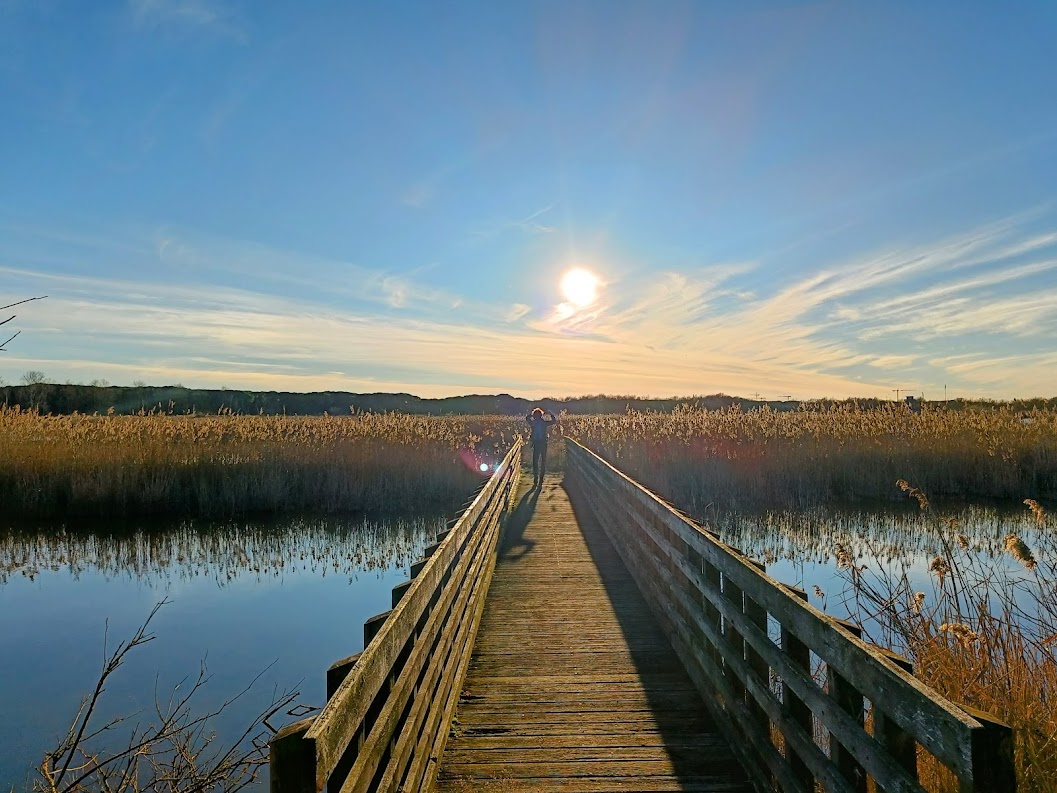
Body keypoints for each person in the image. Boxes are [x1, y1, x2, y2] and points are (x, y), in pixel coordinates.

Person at [525, 407, 557, 487]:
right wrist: (549, 413)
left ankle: (536, 478)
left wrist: (531, 413)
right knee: (543, 461)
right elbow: (554, 421)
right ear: (541, 415)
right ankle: (541, 478)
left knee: (535, 461)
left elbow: (527, 418)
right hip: (543, 443)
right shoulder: (544, 423)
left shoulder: (533, 423)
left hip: (536, 443)